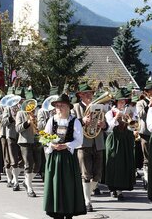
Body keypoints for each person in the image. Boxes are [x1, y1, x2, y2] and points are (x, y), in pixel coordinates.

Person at [43, 94, 86, 219]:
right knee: (55, 183)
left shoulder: (75, 121)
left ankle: (69, 211)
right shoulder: (52, 120)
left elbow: (79, 141)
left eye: (62, 105)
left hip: (68, 158)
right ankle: (56, 210)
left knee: (68, 184)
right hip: (55, 157)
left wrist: (66, 145)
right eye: (57, 106)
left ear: (68, 107)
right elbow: (44, 137)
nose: (59, 108)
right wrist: (51, 144)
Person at [72, 82, 106, 212]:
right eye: (86, 94)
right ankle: (87, 201)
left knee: (97, 175)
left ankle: (85, 193)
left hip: (98, 142)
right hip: (83, 143)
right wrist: (82, 121)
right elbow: (71, 124)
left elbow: (106, 124)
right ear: (80, 95)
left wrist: (104, 125)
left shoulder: (99, 107)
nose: (89, 96)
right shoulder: (75, 107)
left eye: (90, 93)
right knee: (86, 174)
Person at [105, 87, 136, 201]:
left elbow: (133, 127)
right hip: (114, 139)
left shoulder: (129, 112)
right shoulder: (110, 112)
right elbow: (108, 128)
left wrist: (131, 120)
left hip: (125, 139)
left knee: (124, 163)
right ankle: (112, 188)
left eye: (124, 101)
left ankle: (120, 189)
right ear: (116, 102)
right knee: (113, 163)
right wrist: (116, 117)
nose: (123, 103)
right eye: (120, 101)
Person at [16, 98, 42, 197]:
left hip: (37, 140)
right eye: (30, 106)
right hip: (25, 141)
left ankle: (27, 181)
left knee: (38, 164)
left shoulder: (37, 113)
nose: (32, 108)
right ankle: (30, 188)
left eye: (33, 106)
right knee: (28, 164)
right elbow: (18, 128)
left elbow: (41, 126)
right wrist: (27, 122)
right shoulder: (20, 114)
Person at [136, 80, 152, 189]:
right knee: (147, 157)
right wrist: (149, 106)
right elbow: (140, 115)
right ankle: (147, 178)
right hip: (145, 133)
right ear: (146, 92)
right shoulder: (141, 103)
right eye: (151, 91)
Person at [1, 95, 23, 191]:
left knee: (22, 159)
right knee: (12, 159)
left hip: (22, 135)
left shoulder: (22, 108)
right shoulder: (7, 108)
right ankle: (15, 181)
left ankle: (17, 178)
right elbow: (3, 122)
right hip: (11, 135)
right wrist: (13, 117)